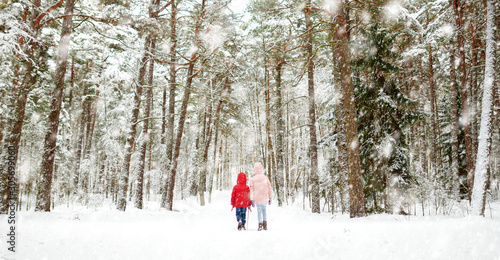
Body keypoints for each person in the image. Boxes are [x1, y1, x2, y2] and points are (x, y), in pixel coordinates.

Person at [250, 162, 272, 231]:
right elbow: (269, 188)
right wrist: (270, 197)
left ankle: (260, 225)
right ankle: (265, 225)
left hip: (257, 198)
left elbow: (251, 189)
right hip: (264, 197)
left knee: (259, 211)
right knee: (264, 210)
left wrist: (252, 199)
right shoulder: (265, 177)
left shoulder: (253, 179)